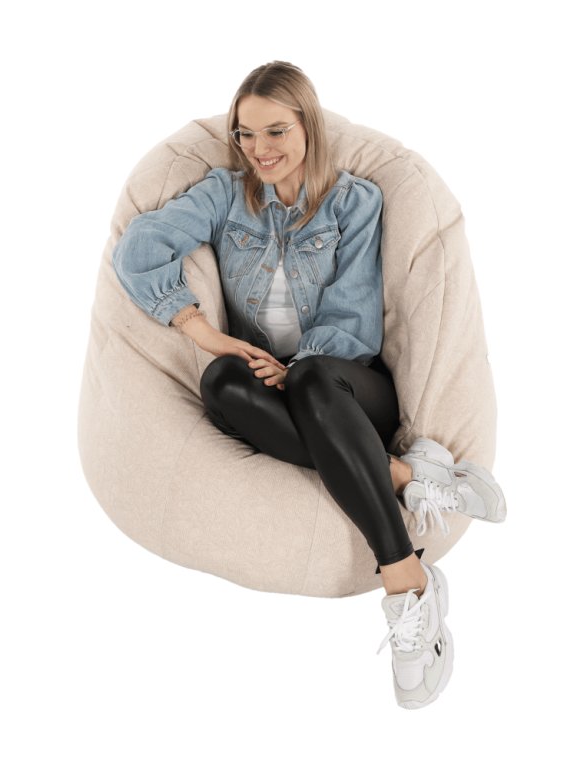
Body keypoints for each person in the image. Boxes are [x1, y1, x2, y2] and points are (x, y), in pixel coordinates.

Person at [112, 61, 506, 709]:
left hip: (348, 389)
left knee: (316, 378)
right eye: (245, 134)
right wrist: (201, 330)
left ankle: (405, 582)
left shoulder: (355, 202)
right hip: (280, 393)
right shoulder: (223, 195)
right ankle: (405, 477)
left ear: (309, 127)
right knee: (222, 383)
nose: (259, 150)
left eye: (276, 131)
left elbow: (353, 322)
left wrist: (295, 371)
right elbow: (137, 248)